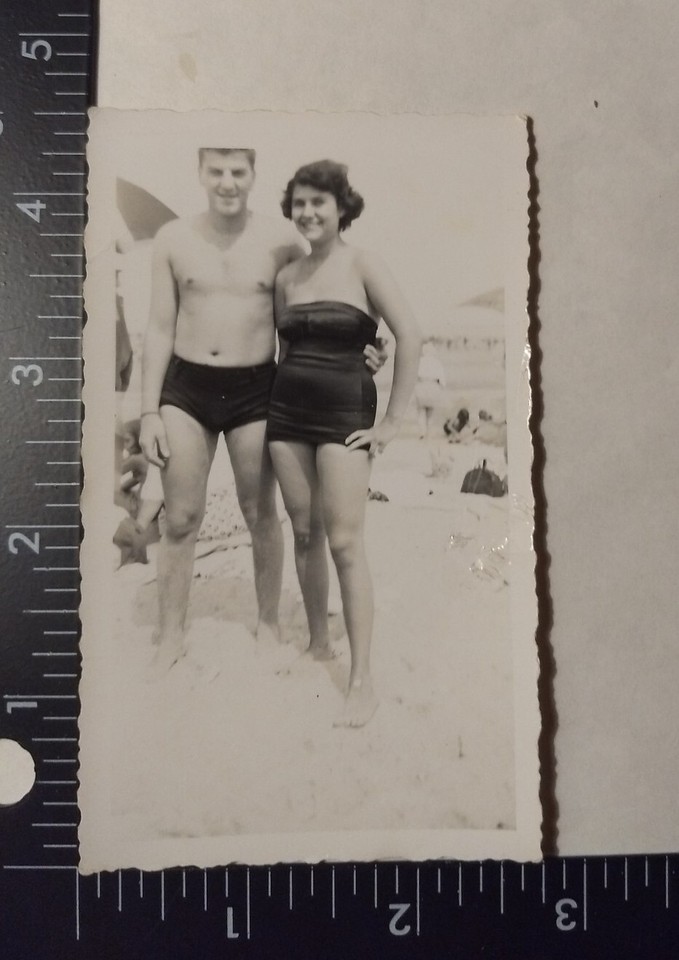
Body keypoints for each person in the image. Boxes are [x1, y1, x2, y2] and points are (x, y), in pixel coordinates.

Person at [139, 148, 382, 675]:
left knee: (259, 514)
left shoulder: (281, 242)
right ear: (200, 171)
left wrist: (365, 350)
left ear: (252, 174)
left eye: (238, 171)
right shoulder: (173, 239)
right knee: (180, 517)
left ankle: (269, 622)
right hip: (186, 386)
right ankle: (171, 633)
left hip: (256, 388)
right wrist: (148, 412)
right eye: (216, 171)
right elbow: (158, 328)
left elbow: (303, 321)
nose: (227, 182)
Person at [268, 160, 422, 727]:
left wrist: (393, 421)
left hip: (344, 417)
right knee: (304, 534)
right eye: (300, 203)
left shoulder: (364, 263)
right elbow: (286, 353)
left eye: (319, 203)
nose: (308, 213)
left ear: (341, 208)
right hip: (286, 415)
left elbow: (410, 334)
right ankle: (317, 644)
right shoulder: (287, 277)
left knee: (345, 544)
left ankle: (362, 681)